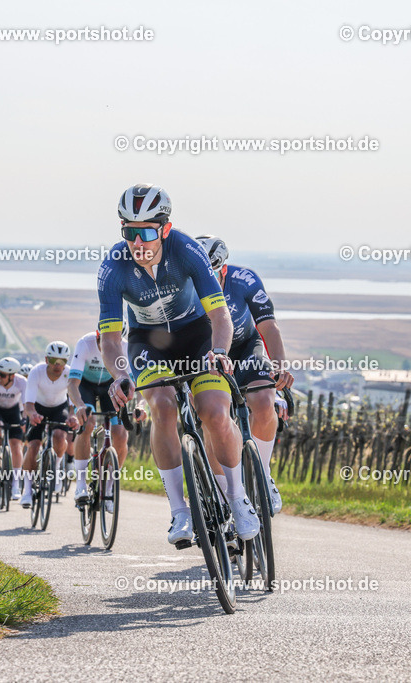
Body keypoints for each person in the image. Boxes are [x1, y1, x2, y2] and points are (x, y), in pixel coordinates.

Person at [98, 183, 259, 545]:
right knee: (162, 406)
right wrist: (120, 374)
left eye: (147, 232)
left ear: (165, 229)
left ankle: (238, 498)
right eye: (129, 232)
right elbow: (110, 339)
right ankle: (179, 511)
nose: (138, 243)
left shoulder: (186, 249)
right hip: (148, 344)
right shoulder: (113, 266)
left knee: (216, 412)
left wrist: (218, 352)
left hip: (196, 335)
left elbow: (220, 316)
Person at [196, 235, 295, 514]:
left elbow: (269, 327)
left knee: (264, 401)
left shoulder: (244, 279)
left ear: (223, 267)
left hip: (243, 346)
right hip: (206, 353)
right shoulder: (184, 285)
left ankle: (262, 474)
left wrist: (279, 365)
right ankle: (224, 493)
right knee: (212, 417)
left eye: (212, 272)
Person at [69, 326, 142, 507]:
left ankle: (109, 487)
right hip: (85, 386)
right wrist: (79, 406)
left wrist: (141, 405)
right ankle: (80, 485)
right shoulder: (85, 343)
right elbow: (72, 383)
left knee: (121, 434)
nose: (108, 345)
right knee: (87, 423)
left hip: (110, 386)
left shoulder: (125, 348)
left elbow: (137, 382)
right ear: (97, 335)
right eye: (103, 339)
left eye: (115, 340)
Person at [20, 342, 79, 508]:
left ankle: (57, 467)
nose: (57, 365)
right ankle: (27, 489)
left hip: (59, 408)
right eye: (53, 360)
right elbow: (28, 402)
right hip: (37, 407)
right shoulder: (36, 372)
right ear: (46, 359)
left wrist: (73, 416)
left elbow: (72, 400)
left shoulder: (69, 373)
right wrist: (32, 414)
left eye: (62, 361)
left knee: (60, 436)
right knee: (33, 445)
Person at [0, 357, 28, 500]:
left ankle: (15, 485)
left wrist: (25, 419)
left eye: (2, 375)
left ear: (12, 375)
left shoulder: (22, 382)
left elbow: (26, 404)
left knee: (16, 446)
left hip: (13, 410)